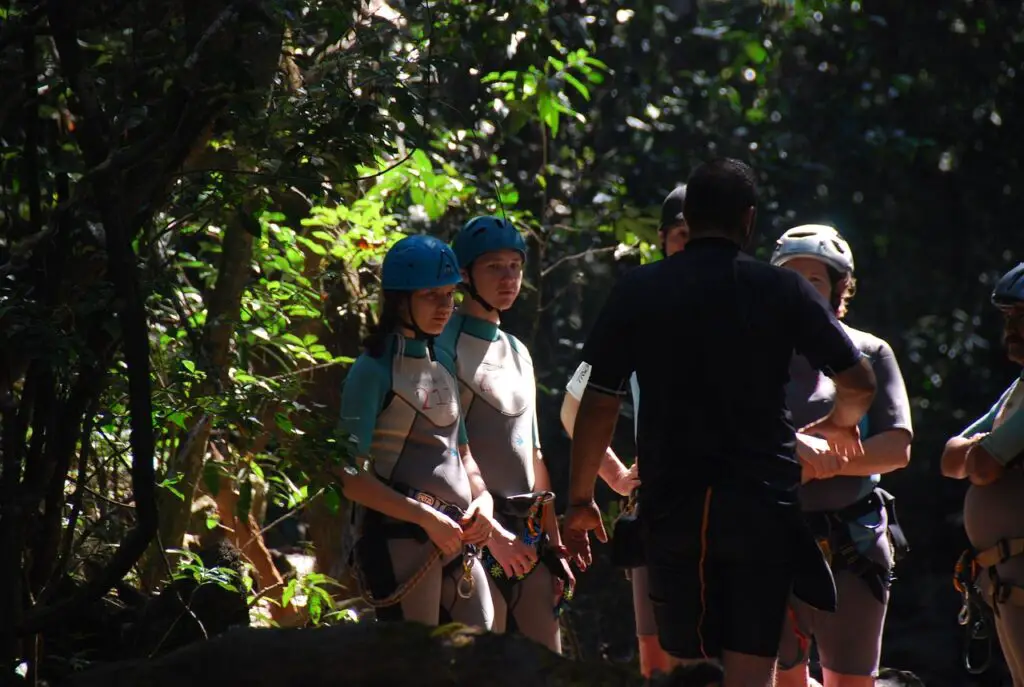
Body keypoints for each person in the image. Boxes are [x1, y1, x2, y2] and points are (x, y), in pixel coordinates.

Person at [561, 157, 878, 687]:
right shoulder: (782, 290)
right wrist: (840, 424)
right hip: (762, 508)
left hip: (674, 505)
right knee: (754, 667)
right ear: (749, 220)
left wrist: (579, 500)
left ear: (692, 215)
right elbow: (860, 382)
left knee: (691, 670)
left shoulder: (640, 290)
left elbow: (597, 401)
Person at [769, 225, 914, 687]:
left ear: (837, 288)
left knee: (851, 680)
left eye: (814, 280)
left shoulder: (870, 352)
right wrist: (797, 453)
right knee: (780, 678)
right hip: (771, 539)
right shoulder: (754, 357)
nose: (800, 288)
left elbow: (897, 446)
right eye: (790, 278)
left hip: (853, 541)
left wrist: (823, 460)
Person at [559, 185, 690, 677]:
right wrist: (613, 478)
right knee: (657, 657)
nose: (689, 246)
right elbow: (578, 404)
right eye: (681, 235)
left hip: (732, 504)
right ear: (662, 237)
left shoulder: (744, 300)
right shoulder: (642, 306)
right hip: (658, 504)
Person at [338, 234, 497, 628]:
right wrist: (426, 517)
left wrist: (485, 501)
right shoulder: (371, 370)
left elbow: (462, 455)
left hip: (458, 540)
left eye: (450, 295)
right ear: (399, 299)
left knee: (481, 651)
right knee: (415, 668)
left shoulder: (441, 360)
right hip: (399, 542)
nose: (445, 307)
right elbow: (349, 477)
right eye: (431, 295)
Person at [436, 215, 573, 653]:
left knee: (548, 665)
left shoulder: (518, 350)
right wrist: (491, 535)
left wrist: (554, 544)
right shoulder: (443, 345)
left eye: (515, 265)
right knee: (481, 666)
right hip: (474, 535)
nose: (509, 277)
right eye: (494, 266)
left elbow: (533, 453)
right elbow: (444, 454)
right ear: (464, 274)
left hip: (527, 537)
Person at [941, 262, 1024, 686]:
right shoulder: (1019, 388)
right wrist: (982, 452)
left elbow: (984, 467)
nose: (1012, 328)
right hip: (1005, 577)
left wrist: (982, 453)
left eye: (1022, 317)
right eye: (1009, 317)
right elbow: (952, 459)